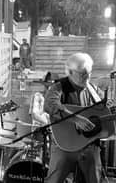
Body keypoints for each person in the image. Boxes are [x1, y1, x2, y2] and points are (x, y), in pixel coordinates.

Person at [44, 52, 103, 183]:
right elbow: (50, 105)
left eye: (89, 73)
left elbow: (106, 110)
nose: (87, 77)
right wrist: (76, 119)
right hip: (63, 146)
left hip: (89, 146)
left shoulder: (95, 91)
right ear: (70, 72)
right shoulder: (57, 87)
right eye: (82, 74)